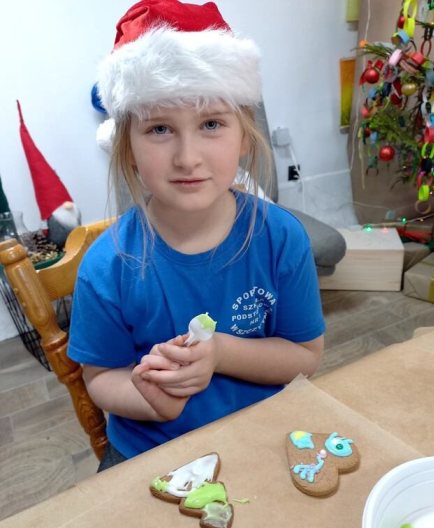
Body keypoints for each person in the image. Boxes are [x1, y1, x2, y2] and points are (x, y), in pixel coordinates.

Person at [68, 0, 326, 471]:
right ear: (127, 149)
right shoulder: (106, 267)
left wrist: (220, 352)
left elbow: (305, 356)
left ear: (244, 137)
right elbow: (100, 376)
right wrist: (153, 402)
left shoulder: (280, 237)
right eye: (160, 128)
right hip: (151, 450)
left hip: (262, 434)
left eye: (211, 124)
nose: (187, 158)